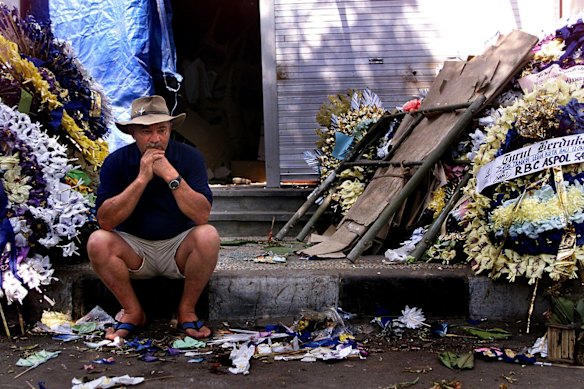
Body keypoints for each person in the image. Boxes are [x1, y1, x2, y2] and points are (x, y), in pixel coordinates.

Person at [86, 95, 220, 340]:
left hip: (178, 247)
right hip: (134, 248)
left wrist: (171, 175)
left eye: (162, 130)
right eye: (146, 132)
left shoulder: (190, 158)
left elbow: (202, 215)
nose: (156, 139)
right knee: (97, 240)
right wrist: (142, 178)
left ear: (170, 130)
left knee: (208, 235)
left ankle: (187, 311)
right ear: (133, 133)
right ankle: (132, 311)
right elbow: (105, 221)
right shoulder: (116, 162)